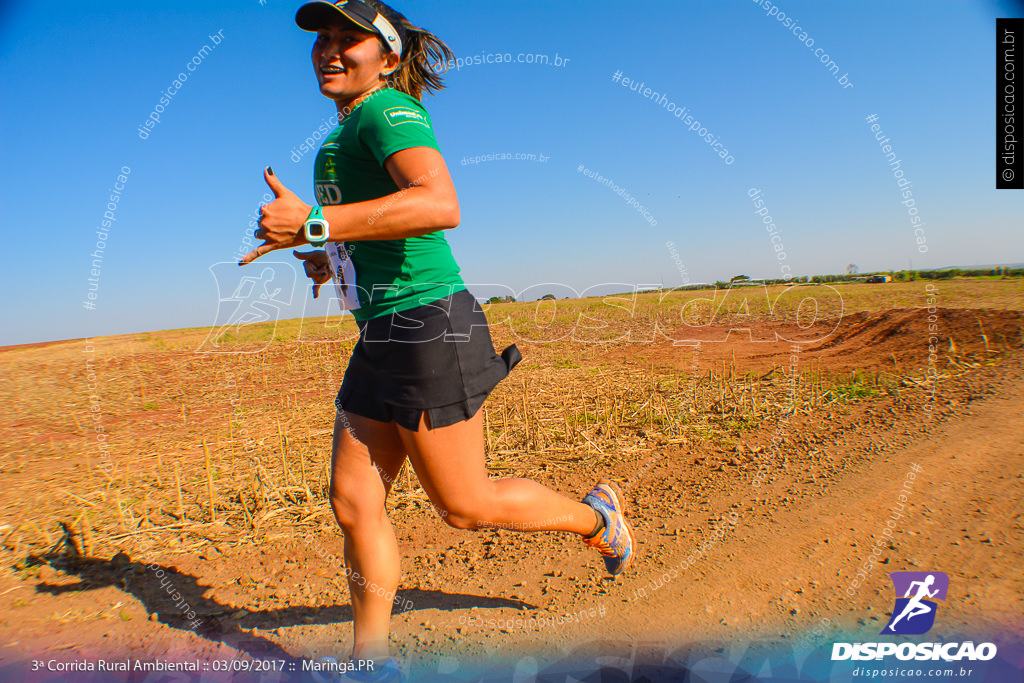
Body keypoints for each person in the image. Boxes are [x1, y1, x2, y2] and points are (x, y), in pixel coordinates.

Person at [240, 0, 635, 675]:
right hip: (381, 333)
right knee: (353, 499)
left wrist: (313, 225)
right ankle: (374, 661)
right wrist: (324, 252)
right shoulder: (341, 135)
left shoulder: (387, 111)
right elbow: (374, 227)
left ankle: (597, 518)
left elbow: (438, 203)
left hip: (428, 324)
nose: (330, 51)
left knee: (464, 505)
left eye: (349, 40)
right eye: (322, 39)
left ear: (389, 59)